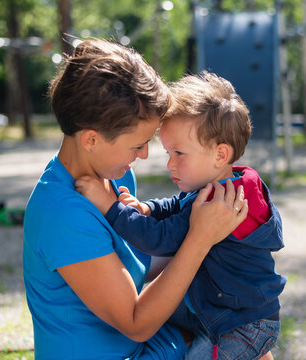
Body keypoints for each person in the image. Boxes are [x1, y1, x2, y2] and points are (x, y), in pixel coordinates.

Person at [22, 39, 248, 360]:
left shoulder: (114, 175)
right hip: (119, 348)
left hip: (139, 345)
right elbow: (136, 322)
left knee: (241, 334)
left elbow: (141, 260)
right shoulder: (63, 214)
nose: (143, 154)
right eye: (136, 145)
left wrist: (222, 236)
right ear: (91, 139)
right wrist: (199, 239)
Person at [76, 71, 286, 360]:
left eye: (179, 153)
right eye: (168, 153)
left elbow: (158, 239)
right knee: (159, 309)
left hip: (240, 326)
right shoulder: (231, 181)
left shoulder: (218, 201)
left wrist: (109, 206)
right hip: (220, 306)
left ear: (220, 155)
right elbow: (179, 204)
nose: (169, 164)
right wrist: (149, 208)